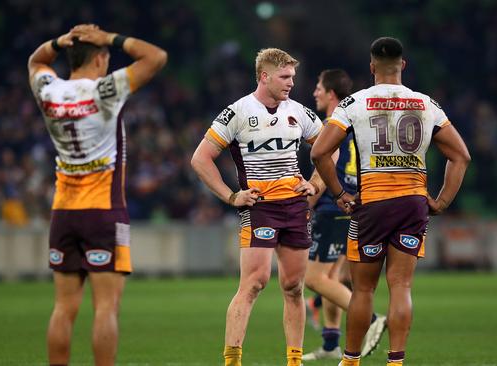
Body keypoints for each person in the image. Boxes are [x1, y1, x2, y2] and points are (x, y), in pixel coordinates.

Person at [311, 37, 470, 366]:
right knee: (402, 285)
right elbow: (461, 156)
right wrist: (440, 201)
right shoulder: (427, 104)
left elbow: (319, 152)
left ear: (371, 68)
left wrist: (339, 193)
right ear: (403, 66)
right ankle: (396, 361)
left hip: (373, 201)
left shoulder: (354, 103)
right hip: (413, 201)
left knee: (364, 290)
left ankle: (351, 360)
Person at [28, 24, 167, 366]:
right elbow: (156, 57)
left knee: (63, 307)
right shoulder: (105, 90)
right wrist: (111, 38)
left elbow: (35, 61)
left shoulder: (50, 90)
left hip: (63, 210)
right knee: (106, 306)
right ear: (101, 58)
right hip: (103, 209)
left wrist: (60, 42)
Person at [191, 48, 322, 366]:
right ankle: (232, 359)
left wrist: (315, 183)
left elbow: (326, 149)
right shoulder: (237, 112)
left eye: (292, 76)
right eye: (285, 77)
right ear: (264, 76)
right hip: (260, 205)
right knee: (254, 282)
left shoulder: (299, 112)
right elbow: (200, 158)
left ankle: (294, 360)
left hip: (294, 206)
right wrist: (231, 196)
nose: (291, 82)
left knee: (293, 286)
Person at [303, 69, 386, 361]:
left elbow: (324, 166)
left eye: (318, 87)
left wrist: (305, 205)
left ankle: (372, 318)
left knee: (313, 279)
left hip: (331, 208)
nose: (315, 92)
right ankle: (330, 344)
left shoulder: (331, 125)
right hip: (351, 206)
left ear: (331, 94)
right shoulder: (354, 124)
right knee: (333, 277)